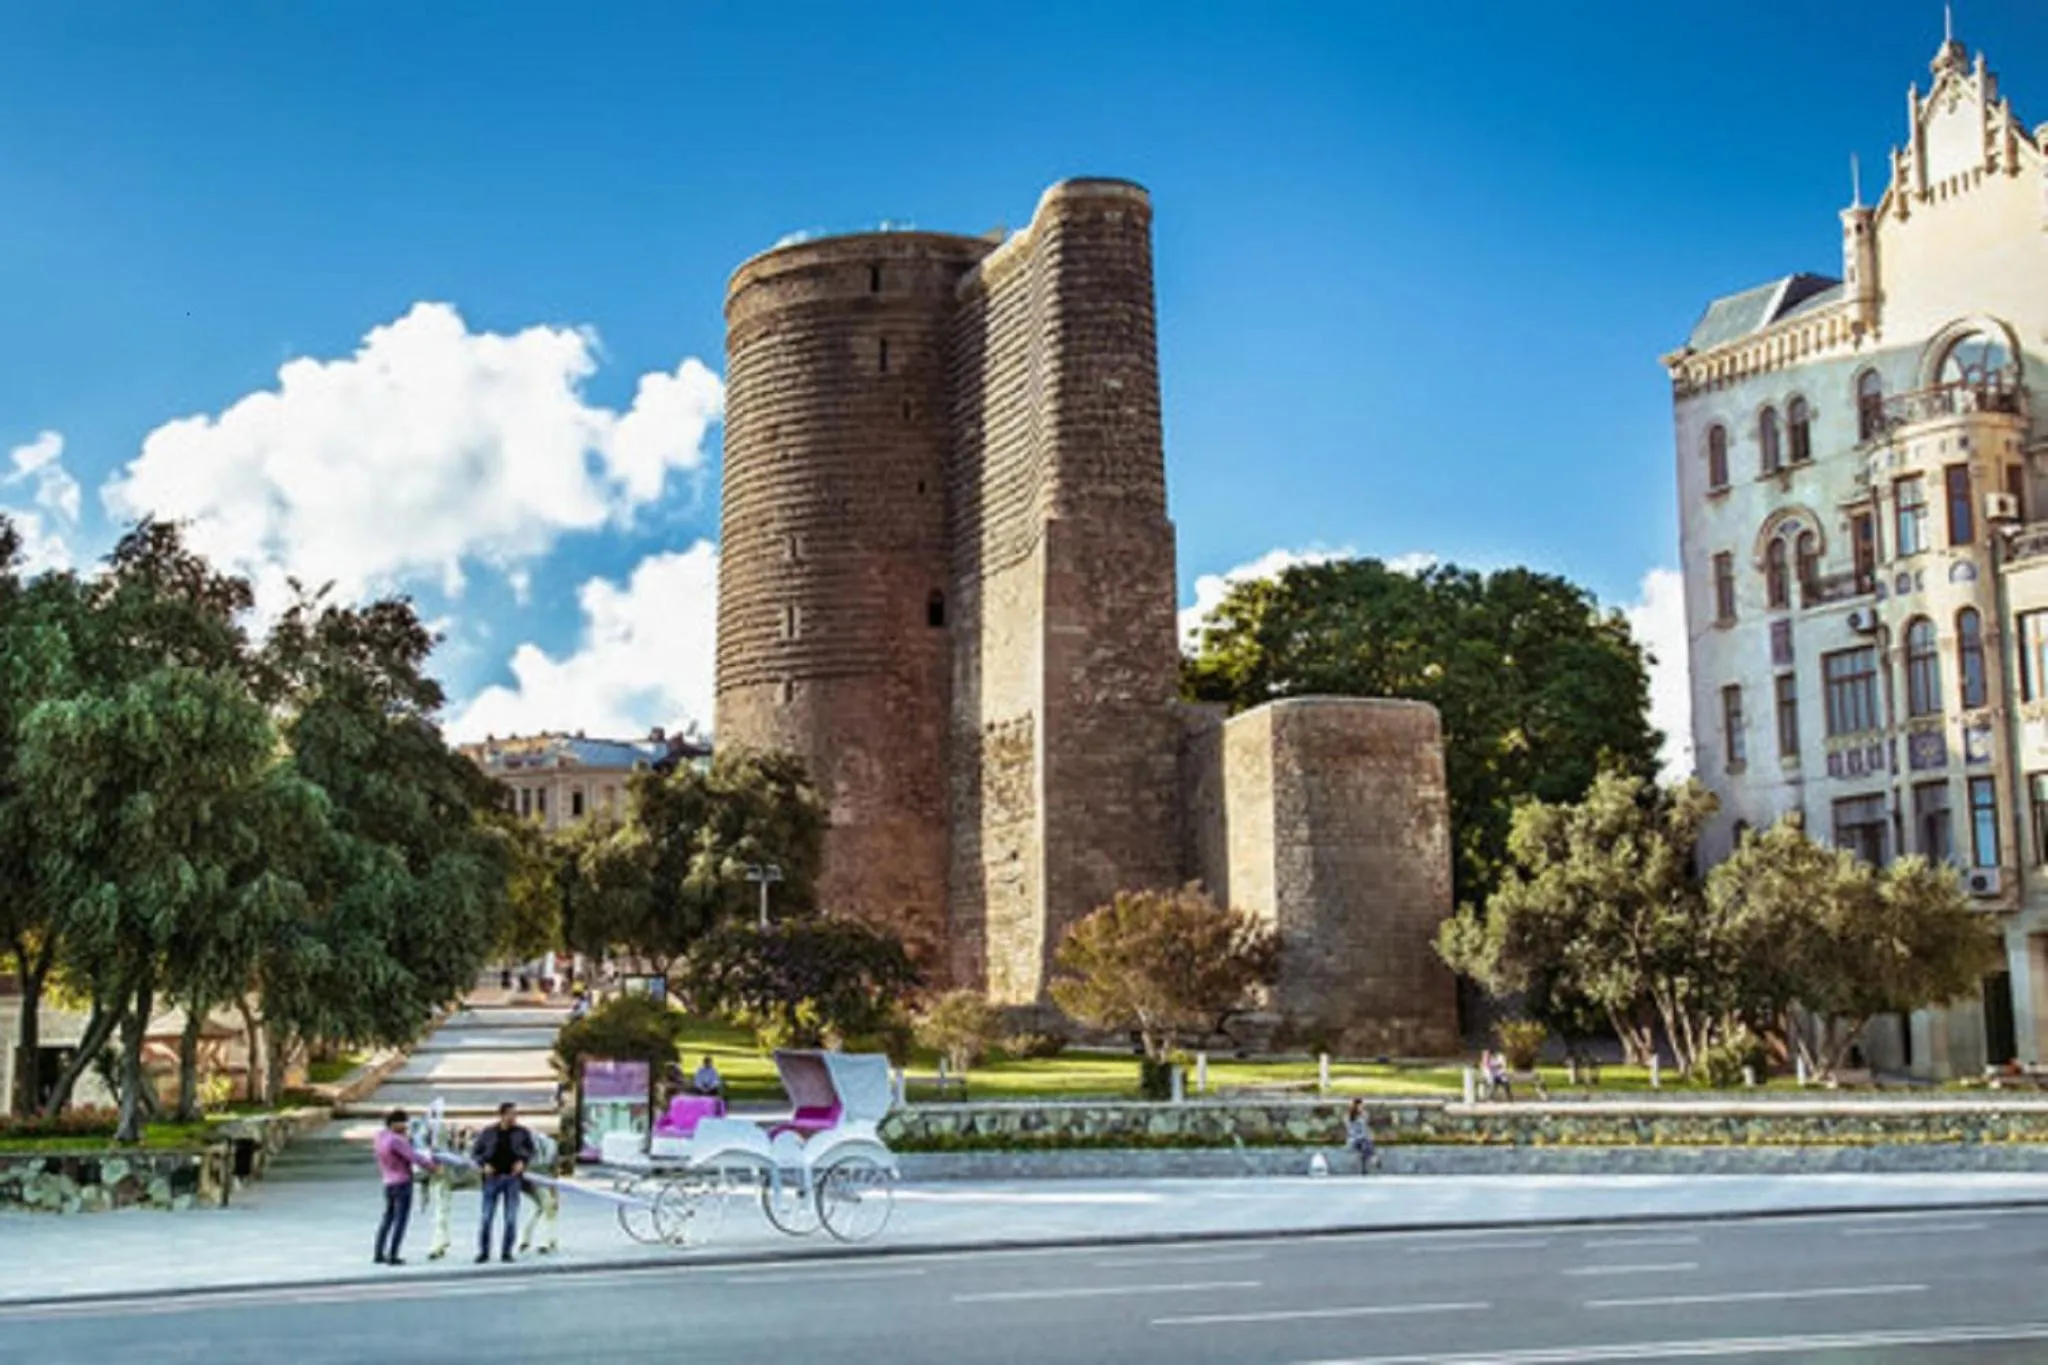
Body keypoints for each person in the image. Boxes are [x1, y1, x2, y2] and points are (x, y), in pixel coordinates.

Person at [470, 1101, 536, 1264]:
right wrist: (483, 1164)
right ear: (502, 1115)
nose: (514, 1117)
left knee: (511, 1217)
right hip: (492, 1178)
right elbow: (475, 1152)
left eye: (515, 1114)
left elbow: (531, 1150)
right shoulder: (489, 1132)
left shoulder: (522, 1133)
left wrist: (523, 1161)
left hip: (512, 1178)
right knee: (486, 1217)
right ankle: (484, 1251)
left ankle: (506, 1251)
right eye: (511, 1114)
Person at [373, 1108, 437, 1265]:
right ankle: (393, 1254)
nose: (406, 1126)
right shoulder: (396, 1140)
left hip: (388, 1181)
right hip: (402, 1182)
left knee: (388, 1218)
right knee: (401, 1220)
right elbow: (413, 1156)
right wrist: (432, 1166)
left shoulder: (380, 1137)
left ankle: (379, 1252)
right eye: (403, 1123)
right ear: (394, 1123)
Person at [1344, 1097, 1376, 1175]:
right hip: (1353, 1139)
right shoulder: (1348, 1116)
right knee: (1365, 1143)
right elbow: (1350, 1129)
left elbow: (1366, 1127)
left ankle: (1365, 1168)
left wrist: (1370, 1134)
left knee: (1365, 1143)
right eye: (1361, 1106)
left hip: (1363, 1138)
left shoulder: (1365, 1114)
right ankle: (1373, 1159)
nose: (1362, 1107)